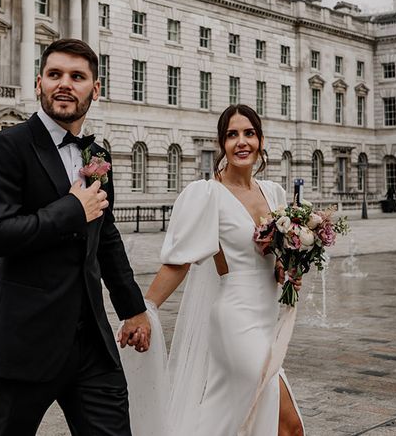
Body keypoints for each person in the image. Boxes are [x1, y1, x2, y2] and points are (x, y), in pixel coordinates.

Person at [0, 38, 151, 436]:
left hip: (91, 343)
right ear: (39, 84)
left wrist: (132, 309)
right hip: (23, 341)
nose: (64, 84)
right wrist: (71, 209)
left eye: (77, 76)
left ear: (95, 88)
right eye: (55, 75)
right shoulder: (7, 146)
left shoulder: (97, 154)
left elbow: (106, 237)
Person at [124, 104, 304, 436]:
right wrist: (143, 310)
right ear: (222, 144)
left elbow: (282, 261)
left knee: (235, 421)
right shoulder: (208, 194)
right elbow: (179, 262)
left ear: (261, 139)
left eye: (249, 133)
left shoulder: (275, 193)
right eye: (232, 135)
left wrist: (289, 266)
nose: (241, 142)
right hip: (235, 321)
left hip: (267, 321)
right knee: (287, 424)